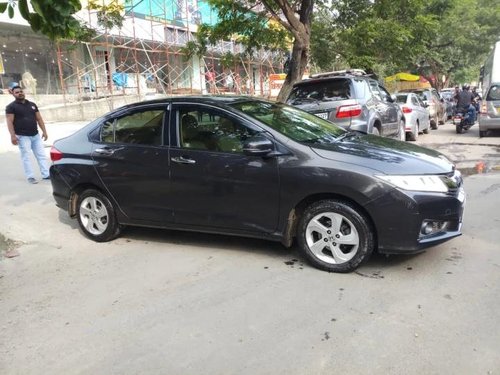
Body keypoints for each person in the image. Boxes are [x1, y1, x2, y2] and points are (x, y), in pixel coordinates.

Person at [5, 85, 50, 184]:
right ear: (13, 94)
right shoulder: (11, 107)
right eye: (17, 92)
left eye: (21, 91)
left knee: (41, 155)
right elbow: (9, 122)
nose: (20, 93)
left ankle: (46, 174)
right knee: (26, 157)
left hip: (35, 135)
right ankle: (30, 177)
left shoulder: (32, 104)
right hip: (22, 136)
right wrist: (13, 136)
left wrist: (44, 131)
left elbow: (39, 119)